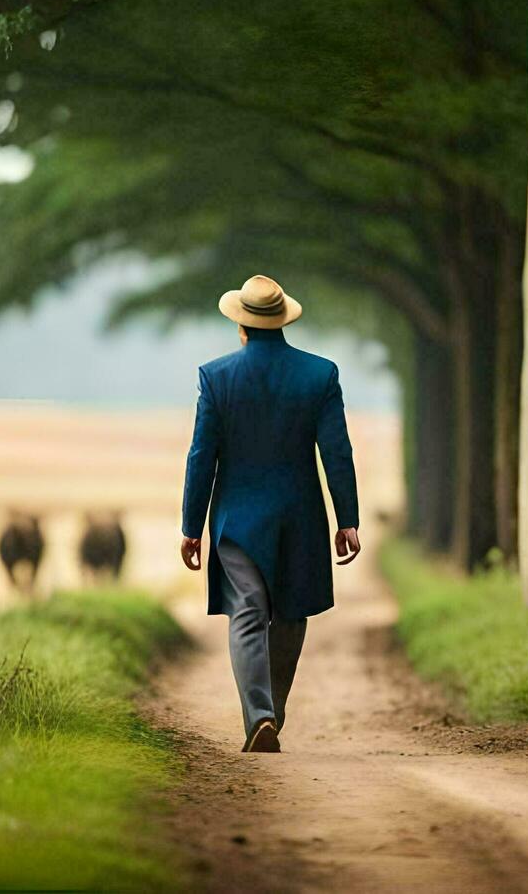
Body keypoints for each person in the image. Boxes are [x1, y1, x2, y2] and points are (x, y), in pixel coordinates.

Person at [180, 274, 360, 753]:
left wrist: (190, 527)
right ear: (282, 322)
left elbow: (202, 456)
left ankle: (259, 716)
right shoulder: (319, 375)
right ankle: (271, 713)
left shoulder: (216, 377)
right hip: (300, 517)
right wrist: (348, 520)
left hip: (236, 521)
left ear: (241, 326)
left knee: (247, 611)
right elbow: (336, 452)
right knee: (291, 614)